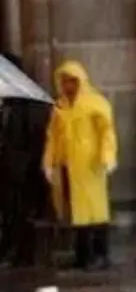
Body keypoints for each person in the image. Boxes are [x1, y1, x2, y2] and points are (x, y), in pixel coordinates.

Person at [42, 61, 117, 270]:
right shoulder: (60, 108)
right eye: (64, 82)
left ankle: (101, 255)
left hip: (92, 166)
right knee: (76, 214)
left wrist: (107, 157)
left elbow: (106, 132)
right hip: (70, 167)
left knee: (96, 212)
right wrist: (49, 162)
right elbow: (53, 138)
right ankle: (83, 255)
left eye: (72, 81)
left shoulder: (96, 103)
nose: (68, 86)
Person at [0, 52, 52, 268]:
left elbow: (35, 138)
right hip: (6, 169)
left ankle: (20, 253)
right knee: (8, 213)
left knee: (20, 214)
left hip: (21, 171)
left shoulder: (29, 105)